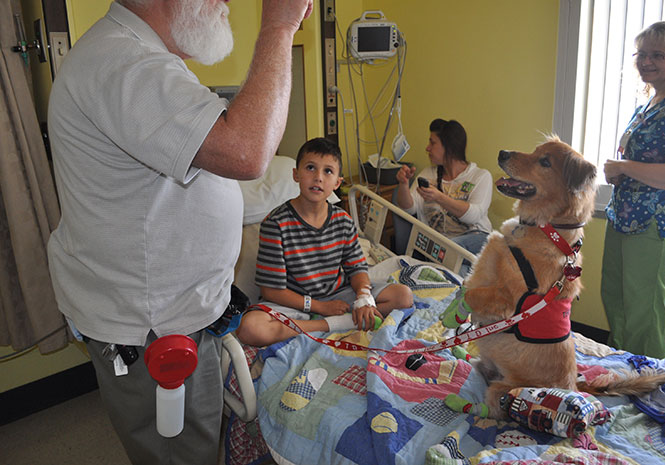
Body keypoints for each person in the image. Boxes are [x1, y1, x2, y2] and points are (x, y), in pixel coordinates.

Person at [45, 0, 313, 464]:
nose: (224, 2)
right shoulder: (124, 63)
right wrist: (279, 24)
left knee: (190, 442)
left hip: (171, 314)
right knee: (181, 454)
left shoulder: (145, 60)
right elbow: (248, 151)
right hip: (154, 328)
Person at [235, 138, 414, 347]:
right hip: (293, 301)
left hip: (339, 294)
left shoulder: (343, 220)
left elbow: (356, 269)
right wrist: (320, 307)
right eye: (310, 168)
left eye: (328, 171)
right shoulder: (276, 224)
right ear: (296, 174)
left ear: (338, 182)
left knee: (403, 296)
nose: (318, 177)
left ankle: (325, 322)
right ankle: (337, 323)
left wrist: (364, 298)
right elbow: (271, 291)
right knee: (250, 328)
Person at [602, 20, 665, 359]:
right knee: (615, 300)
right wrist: (618, 172)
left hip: (654, 226)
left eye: (657, 55)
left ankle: (645, 384)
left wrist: (625, 168)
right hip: (622, 218)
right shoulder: (650, 102)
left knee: (644, 313)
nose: (646, 62)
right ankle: (619, 372)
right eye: (641, 54)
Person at [395, 118, 493, 275]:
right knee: (457, 270)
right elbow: (408, 208)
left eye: (432, 143)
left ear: (449, 147)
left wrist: (439, 197)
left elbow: (472, 216)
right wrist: (403, 184)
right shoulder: (428, 174)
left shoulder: (480, 176)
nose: (427, 148)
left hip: (473, 241)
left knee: (450, 251)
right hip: (439, 250)